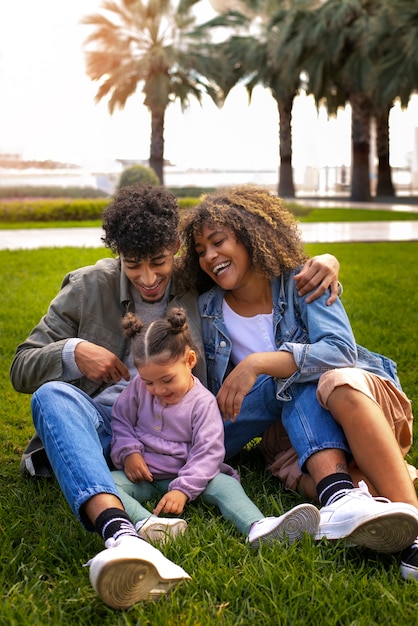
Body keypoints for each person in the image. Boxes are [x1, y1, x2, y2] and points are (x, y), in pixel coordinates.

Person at [9, 183, 341, 610]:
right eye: (133, 266)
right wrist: (74, 351)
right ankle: (122, 535)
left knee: (283, 378)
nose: (148, 279)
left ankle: (340, 493)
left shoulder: (194, 278)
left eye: (159, 263)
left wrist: (326, 262)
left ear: (174, 249)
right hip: (108, 431)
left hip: (191, 427)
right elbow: (22, 365)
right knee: (52, 395)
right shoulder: (87, 288)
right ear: (118, 257)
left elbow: (254, 258)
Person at [179, 184, 418, 579]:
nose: (209, 256)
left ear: (251, 234)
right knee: (287, 390)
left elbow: (340, 351)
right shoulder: (206, 310)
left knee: (323, 377)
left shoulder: (303, 280)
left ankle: (406, 530)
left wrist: (258, 362)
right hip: (290, 435)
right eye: (201, 250)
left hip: (356, 403)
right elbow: (149, 279)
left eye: (218, 242)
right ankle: (350, 494)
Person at [110, 308, 320, 547]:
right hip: (144, 476)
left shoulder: (202, 403)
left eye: (167, 380)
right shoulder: (138, 388)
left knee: (226, 485)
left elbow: (208, 452)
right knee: (108, 484)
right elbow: (121, 420)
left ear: (189, 361)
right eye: (149, 382)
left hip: (191, 475)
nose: (158, 390)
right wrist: (129, 453)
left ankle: (258, 526)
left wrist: (183, 489)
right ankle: (146, 523)